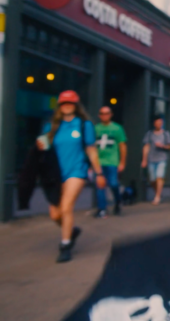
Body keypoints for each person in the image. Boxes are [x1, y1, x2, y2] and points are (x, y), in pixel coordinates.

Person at [37, 90, 104, 263]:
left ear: (75, 105)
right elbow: (44, 148)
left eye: (70, 103)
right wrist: (40, 145)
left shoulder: (84, 125)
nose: (67, 106)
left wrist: (99, 173)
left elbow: (91, 150)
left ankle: (65, 245)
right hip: (56, 174)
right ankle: (72, 231)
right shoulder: (51, 126)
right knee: (55, 215)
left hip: (77, 171)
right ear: (60, 106)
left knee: (66, 208)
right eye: (64, 103)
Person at [93, 106, 127, 217]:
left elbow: (122, 146)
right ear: (99, 115)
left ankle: (118, 201)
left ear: (111, 114)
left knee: (113, 184)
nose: (105, 115)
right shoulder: (96, 128)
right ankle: (102, 209)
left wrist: (122, 162)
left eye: (107, 113)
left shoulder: (117, 128)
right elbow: (91, 147)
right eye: (102, 113)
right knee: (100, 185)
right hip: (99, 162)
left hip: (112, 162)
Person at [141, 116, 170, 205]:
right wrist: (144, 159)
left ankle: (157, 196)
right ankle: (157, 193)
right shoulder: (150, 134)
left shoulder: (166, 134)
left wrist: (162, 146)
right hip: (151, 158)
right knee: (152, 179)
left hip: (162, 158)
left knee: (160, 176)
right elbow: (146, 146)